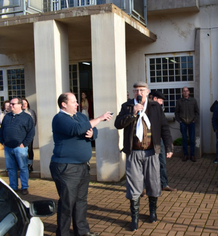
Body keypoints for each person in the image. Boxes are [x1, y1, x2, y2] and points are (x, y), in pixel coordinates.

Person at [50, 92, 113, 236]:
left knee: (80, 201)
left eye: (77, 101)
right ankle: (63, 233)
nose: (77, 104)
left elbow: (93, 130)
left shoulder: (80, 116)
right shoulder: (60, 118)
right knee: (67, 203)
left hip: (83, 166)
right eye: (73, 101)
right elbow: (77, 129)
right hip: (66, 168)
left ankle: (82, 232)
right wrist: (100, 118)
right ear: (63, 104)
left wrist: (92, 134)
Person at [114, 82, 173, 231]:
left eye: (142, 90)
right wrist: (133, 113)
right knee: (134, 184)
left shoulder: (155, 107)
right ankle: (134, 218)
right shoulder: (127, 106)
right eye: (136, 90)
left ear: (147, 92)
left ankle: (152, 212)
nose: (139, 92)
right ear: (133, 92)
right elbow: (118, 124)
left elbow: (164, 127)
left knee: (153, 182)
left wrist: (169, 146)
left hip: (151, 151)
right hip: (133, 152)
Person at [0, 97, 35, 195]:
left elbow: (31, 132)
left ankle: (24, 187)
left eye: (13, 104)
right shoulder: (7, 116)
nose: (10, 106)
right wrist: (2, 141)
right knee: (11, 168)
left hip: (20, 148)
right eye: (10, 104)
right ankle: (13, 187)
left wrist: (24, 144)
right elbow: (1, 130)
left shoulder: (27, 117)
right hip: (8, 148)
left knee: (23, 167)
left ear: (20, 105)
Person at [152, 90, 177, 192]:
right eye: (161, 100)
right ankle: (143, 188)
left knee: (162, 163)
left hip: (159, 141)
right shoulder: (145, 109)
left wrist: (169, 147)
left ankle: (164, 184)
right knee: (146, 165)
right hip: (147, 142)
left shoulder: (159, 110)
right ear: (154, 99)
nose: (162, 103)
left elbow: (164, 128)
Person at [174, 87, 199, 162]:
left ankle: (192, 155)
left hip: (191, 122)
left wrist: (194, 120)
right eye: (184, 91)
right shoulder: (179, 101)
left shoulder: (193, 101)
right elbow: (176, 112)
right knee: (184, 139)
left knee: (192, 139)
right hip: (183, 122)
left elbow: (197, 112)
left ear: (189, 92)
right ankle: (185, 155)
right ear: (182, 93)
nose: (185, 92)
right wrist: (179, 121)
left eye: (186, 91)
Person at [22, 98, 37, 172]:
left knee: (29, 149)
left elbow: (34, 123)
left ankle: (30, 165)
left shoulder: (31, 112)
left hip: (28, 134)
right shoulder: (19, 113)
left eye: (25, 103)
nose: (24, 105)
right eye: (22, 103)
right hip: (20, 135)